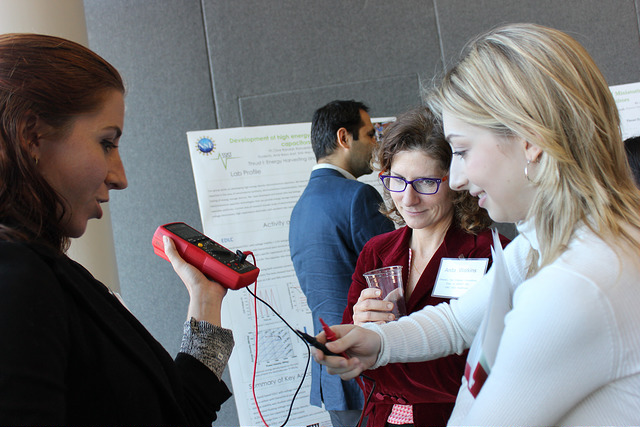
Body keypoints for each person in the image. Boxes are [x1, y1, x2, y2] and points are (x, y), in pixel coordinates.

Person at [313, 23, 640, 426]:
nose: (457, 180)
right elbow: (456, 322)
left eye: (464, 151)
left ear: (530, 139)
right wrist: (378, 342)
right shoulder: (550, 244)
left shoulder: (574, 286)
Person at [0, 33, 234, 424]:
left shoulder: (49, 273)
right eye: (107, 143)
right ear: (31, 136)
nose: (120, 177)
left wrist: (206, 299)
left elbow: (176, 413)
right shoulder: (16, 279)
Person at [342, 107, 509, 427]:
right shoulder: (377, 253)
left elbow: (488, 368)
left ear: (456, 181)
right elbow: (349, 360)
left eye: (426, 183)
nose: (408, 198)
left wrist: (382, 353)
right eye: (397, 181)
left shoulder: (491, 253)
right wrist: (357, 326)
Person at [289, 100, 395, 426]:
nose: (375, 144)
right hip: (370, 366)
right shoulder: (358, 196)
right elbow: (393, 283)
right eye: (369, 134)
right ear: (344, 138)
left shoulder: (299, 209)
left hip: (333, 374)